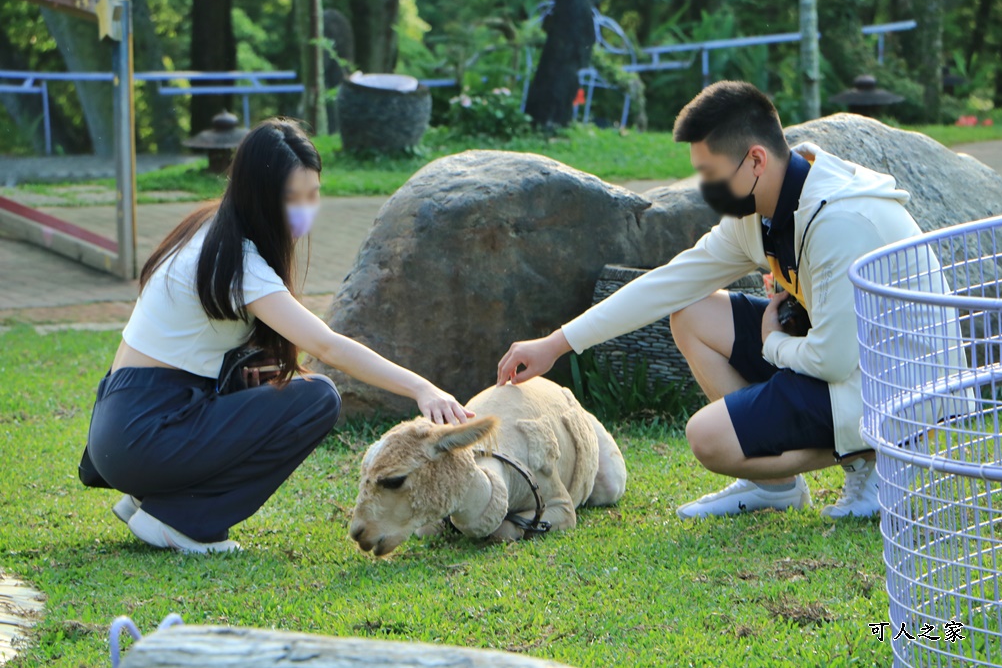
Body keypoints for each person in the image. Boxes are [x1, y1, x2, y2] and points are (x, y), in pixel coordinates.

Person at [496, 80, 931, 520]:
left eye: (711, 173)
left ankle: (877, 457)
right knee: (691, 312)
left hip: (897, 386)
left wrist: (772, 342)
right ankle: (775, 485)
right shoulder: (759, 212)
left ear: (756, 159)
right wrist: (556, 344)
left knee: (707, 437)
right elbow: (669, 283)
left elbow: (834, 361)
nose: (706, 187)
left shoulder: (839, 220)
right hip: (839, 355)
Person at [87, 118, 474, 553]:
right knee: (317, 398)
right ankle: (182, 521)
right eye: (294, 198)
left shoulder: (206, 231)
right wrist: (423, 389)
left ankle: (150, 497)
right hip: (146, 434)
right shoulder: (239, 263)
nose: (306, 209)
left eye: (313, 195)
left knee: (264, 379)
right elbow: (328, 346)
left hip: (120, 428)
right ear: (260, 197)